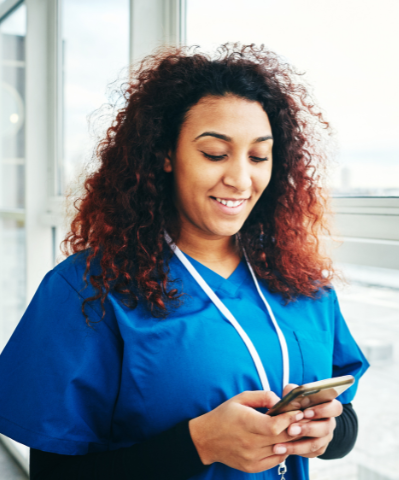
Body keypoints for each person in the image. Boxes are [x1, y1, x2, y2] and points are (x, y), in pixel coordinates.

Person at [0, 43, 369, 480]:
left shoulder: (299, 283)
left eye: (258, 156)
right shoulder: (88, 290)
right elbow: (52, 473)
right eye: (215, 153)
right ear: (165, 156)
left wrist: (327, 433)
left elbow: (343, 418)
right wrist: (200, 445)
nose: (240, 178)